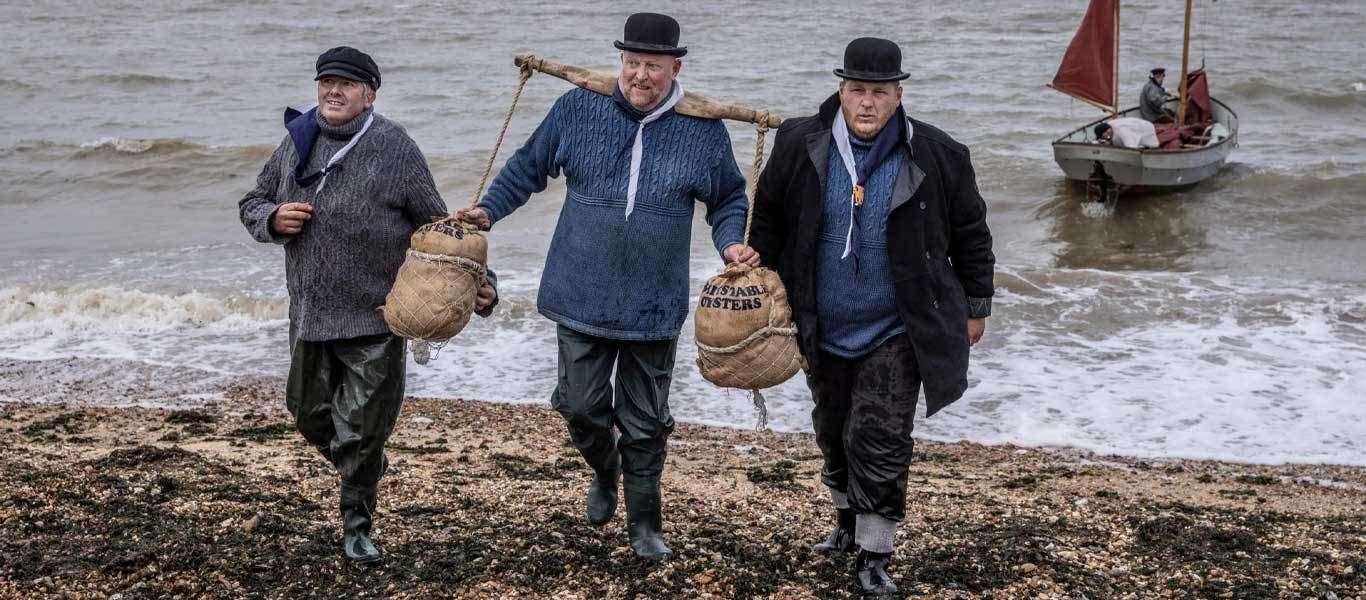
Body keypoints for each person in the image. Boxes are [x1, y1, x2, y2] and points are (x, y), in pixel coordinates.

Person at [456, 13, 758, 562]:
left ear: (675, 67)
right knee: (578, 405)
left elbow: (729, 199)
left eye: (653, 65)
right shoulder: (577, 108)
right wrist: (488, 211)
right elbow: (528, 167)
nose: (640, 75)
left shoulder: (704, 130)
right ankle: (605, 467)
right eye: (632, 62)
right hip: (580, 290)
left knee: (645, 422)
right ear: (620, 60)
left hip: (653, 301)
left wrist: (732, 243)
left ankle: (646, 523)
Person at [748, 37, 994, 596]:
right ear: (841, 90)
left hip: (897, 325)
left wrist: (976, 306)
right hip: (819, 320)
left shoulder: (937, 154)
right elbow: (767, 222)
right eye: (857, 90)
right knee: (833, 431)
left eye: (879, 93)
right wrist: (749, 261)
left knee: (879, 436)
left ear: (898, 94)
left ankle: (875, 552)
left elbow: (973, 237)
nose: (866, 103)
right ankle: (844, 520)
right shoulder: (799, 143)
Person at [237, 46, 498, 564]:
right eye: (326, 82)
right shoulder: (297, 142)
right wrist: (271, 219)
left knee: (361, 429)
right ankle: (366, 464)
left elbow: (435, 226)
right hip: (310, 311)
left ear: (369, 94)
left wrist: (482, 283)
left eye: (347, 84)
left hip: (376, 316)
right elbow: (252, 201)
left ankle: (357, 525)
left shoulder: (394, 146)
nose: (334, 92)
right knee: (308, 414)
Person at [1094, 117, 1159, 149]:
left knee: (1153, 145)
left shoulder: (1123, 131)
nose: (1104, 138)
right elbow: (1101, 139)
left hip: (1147, 128)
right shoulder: (1108, 125)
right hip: (1135, 124)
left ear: (1108, 131)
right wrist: (1107, 142)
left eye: (1103, 136)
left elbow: (1132, 148)